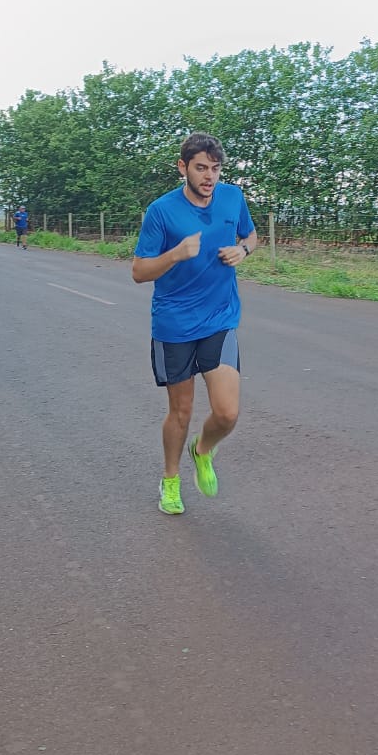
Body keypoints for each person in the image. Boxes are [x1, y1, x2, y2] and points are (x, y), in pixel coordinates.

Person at [132, 132, 257, 515]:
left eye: (215, 169)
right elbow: (139, 271)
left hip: (220, 317)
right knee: (181, 411)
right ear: (182, 167)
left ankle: (202, 450)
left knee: (227, 413)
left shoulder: (232, 197)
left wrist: (243, 249)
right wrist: (174, 254)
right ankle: (170, 480)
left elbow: (252, 235)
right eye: (201, 168)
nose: (209, 177)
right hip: (175, 325)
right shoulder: (161, 211)